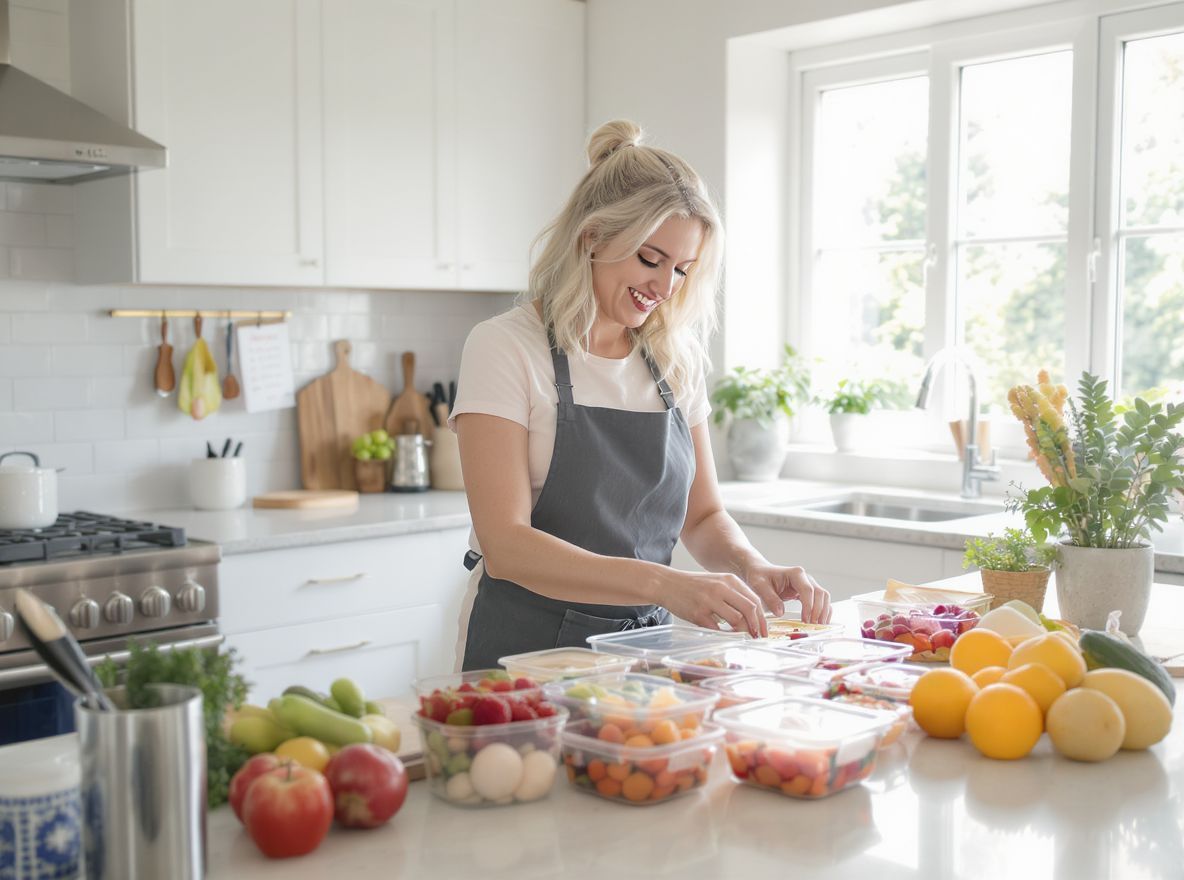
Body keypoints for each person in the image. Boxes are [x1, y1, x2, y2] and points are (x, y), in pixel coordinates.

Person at [449, 120, 831, 671]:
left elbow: (702, 517)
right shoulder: (505, 347)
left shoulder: (676, 360)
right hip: (524, 651)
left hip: (643, 647)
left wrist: (752, 566)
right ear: (594, 237)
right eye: (650, 259)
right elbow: (506, 545)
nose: (665, 287)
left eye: (682, 269)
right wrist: (663, 582)